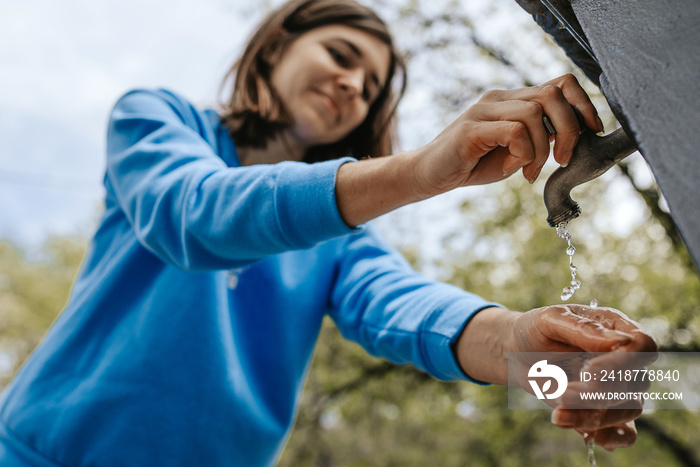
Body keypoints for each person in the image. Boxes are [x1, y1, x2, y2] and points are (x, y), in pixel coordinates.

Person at [0, 0, 656, 465]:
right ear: (276, 49)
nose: (353, 84)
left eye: (371, 87)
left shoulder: (340, 237)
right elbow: (194, 215)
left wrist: (522, 343)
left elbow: (406, 308)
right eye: (341, 56)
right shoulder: (158, 119)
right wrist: (425, 171)